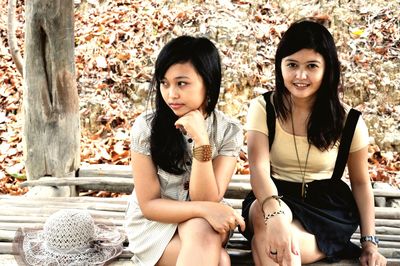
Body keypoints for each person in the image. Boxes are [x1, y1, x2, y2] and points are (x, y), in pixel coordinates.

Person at [240, 19, 387, 266]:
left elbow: (361, 183)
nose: (300, 75)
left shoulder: (349, 121)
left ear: (327, 69)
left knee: (269, 248)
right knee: (267, 217)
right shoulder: (263, 108)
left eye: (311, 66)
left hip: (327, 210)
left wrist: (369, 242)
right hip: (273, 195)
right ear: (280, 66)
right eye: (292, 65)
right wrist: (275, 215)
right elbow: (258, 168)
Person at [124, 35, 245, 266]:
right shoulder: (146, 127)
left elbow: (207, 197)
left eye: (181, 83)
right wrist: (206, 210)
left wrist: (202, 141)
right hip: (155, 225)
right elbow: (149, 205)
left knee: (202, 227)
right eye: (164, 83)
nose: (171, 94)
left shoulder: (229, 131)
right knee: (219, 260)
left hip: (209, 221)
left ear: (208, 83)